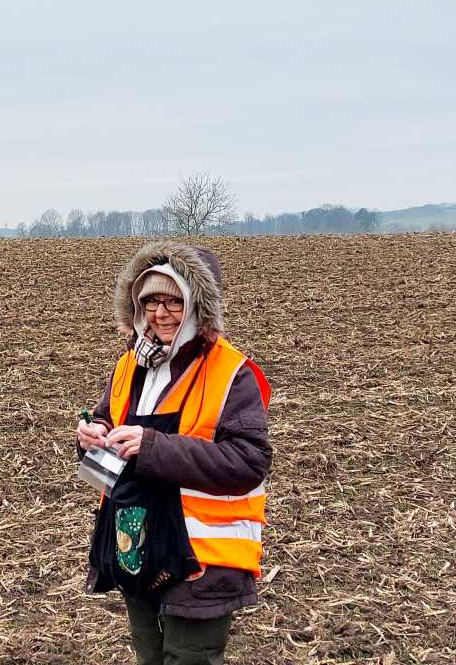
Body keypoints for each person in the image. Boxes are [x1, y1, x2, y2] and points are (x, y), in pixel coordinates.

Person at [74, 241, 272, 665]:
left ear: (199, 306)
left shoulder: (231, 373)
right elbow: (109, 419)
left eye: (173, 302)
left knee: (188, 659)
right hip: (136, 537)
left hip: (201, 553)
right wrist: (93, 436)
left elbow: (249, 461)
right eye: (150, 302)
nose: (159, 314)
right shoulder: (131, 363)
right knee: (148, 656)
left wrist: (153, 447)